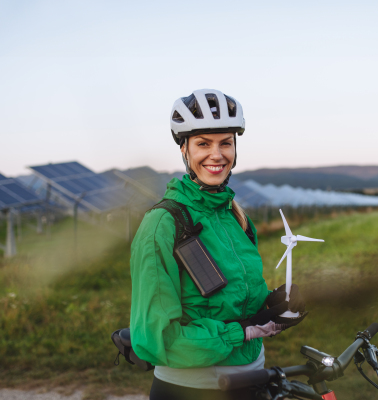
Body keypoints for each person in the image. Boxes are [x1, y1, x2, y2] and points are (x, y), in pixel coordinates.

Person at [129, 89, 307, 400]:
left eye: (225, 142)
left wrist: (271, 306)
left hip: (253, 380)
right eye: (203, 143)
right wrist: (247, 329)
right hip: (192, 389)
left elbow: (233, 302)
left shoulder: (235, 216)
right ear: (184, 150)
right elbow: (156, 339)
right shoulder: (162, 224)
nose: (217, 154)